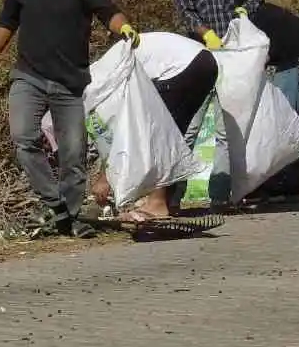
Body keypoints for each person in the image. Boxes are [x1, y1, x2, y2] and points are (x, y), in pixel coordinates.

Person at [0, 0, 138, 238]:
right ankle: (56, 206)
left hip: (69, 82)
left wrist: (124, 28)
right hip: (29, 76)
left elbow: (108, 12)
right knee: (24, 138)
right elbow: (7, 21)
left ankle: (74, 215)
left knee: (73, 154)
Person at [89, 31, 219, 222]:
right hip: (205, 62)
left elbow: (124, 130)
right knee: (174, 134)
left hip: (183, 67)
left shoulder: (98, 87)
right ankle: (168, 200)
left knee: (159, 134)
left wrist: (105, 177)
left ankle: (157, 204)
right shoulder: (104, 71)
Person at [246, 1, 299, 202]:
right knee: (297, 123)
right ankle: (291, 186)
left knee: (285, 122)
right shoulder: (258, 11)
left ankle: (278, 186)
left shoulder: (245, 19)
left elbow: (259, 57)